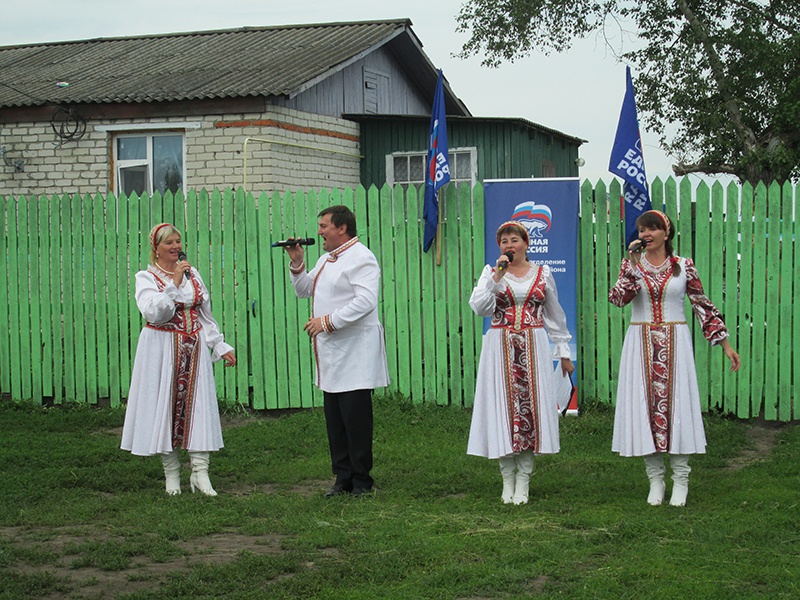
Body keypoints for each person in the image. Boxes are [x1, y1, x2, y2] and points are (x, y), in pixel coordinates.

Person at [609, 209, 740, 507]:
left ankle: (680, 480)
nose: (645, 235)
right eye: (642, 230)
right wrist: (630, 267)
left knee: (677, 410)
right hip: (639, 343)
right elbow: (617, 299)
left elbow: (702, 305)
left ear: (666, 234)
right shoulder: (631, 266)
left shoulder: (684, 266)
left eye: (651, 230)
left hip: (675, 344)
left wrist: (725, 344)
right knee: (644, 409)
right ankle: (655, 480)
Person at [121, 223, 236, 496]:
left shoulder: (192, 274)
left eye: (177, 241)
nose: (175, 247)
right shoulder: (146, 277)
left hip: (193, 346)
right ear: (156, 249)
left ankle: (201, 472)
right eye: (168, 243)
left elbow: (203, 313)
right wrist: (173, 282)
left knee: (199, 407)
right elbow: (154, 313)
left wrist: (218, 344)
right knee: (165, 407)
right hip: (161, 348)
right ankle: (171, 475)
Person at [284, 205, 389, 498]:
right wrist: (297, 263)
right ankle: (342, 477)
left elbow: (365, 301)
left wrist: (328, 321)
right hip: (332, 351)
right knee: (336, 419)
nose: (319, 232)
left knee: (355, 418)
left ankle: (361, 480)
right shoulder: (327, 259)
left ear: (342, 228)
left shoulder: (362, 258)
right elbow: (305, 290)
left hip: (355, 349)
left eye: (324, 226)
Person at [467, 221, 575, 505]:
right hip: (499, 346)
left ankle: (524, 478)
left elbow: (554, 314)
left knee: (531, 410)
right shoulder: (491, 274)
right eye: (504, 241)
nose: (509, 245)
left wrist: (563, 351)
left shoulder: (542, 274)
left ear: (526, 244)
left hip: (533, 345)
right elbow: (479, 308)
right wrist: (496, 279)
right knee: (501, 409)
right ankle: (507, 479)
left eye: (514, 240)